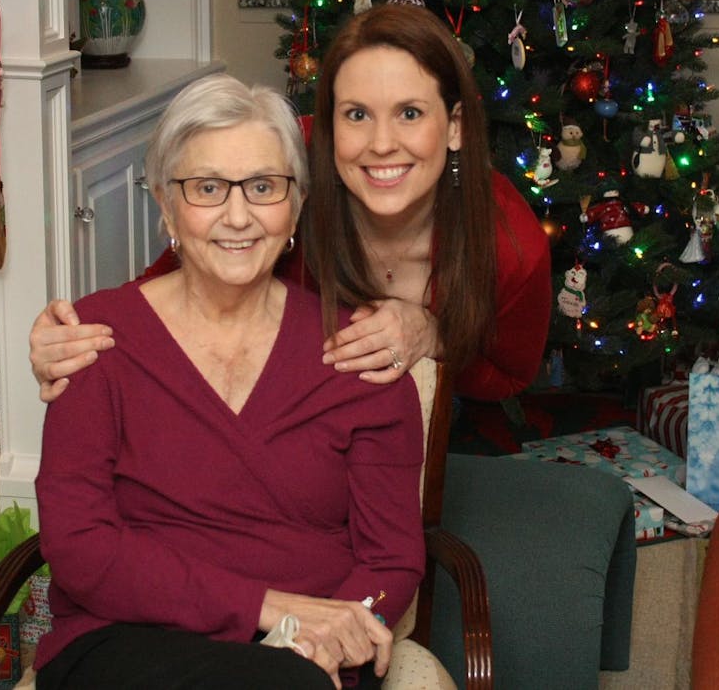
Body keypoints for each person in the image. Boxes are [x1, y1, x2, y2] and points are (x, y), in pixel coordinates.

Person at [33, 74, 425, 690]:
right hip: (125, 642)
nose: (238, 216)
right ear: (165, 203)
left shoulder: (361, 358)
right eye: (208, 188)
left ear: (295, 205)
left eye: (263, 187)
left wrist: (331, 629)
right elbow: (79, 545)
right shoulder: (93, 342)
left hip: (305, 654)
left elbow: (391, 560)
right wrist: (270, 608)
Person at [29, 2, 552, 406]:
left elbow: (507, 375)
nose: (382, 142)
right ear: (325, 125)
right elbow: (184, 267)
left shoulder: (511, 245)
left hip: (431, 427)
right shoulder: (276, 169)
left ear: (455, 127)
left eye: (411, 113)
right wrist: (81, 336)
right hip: (267, 404)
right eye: (356, 115)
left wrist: (434, 334)